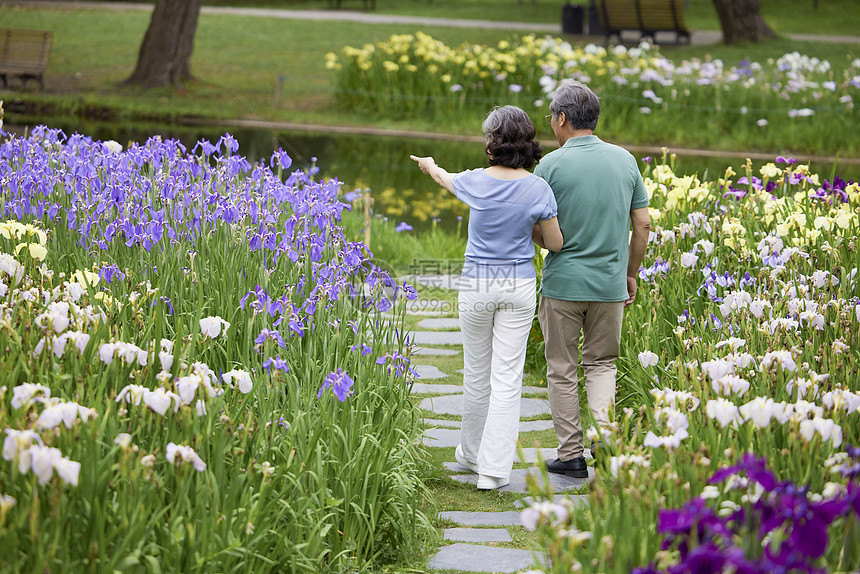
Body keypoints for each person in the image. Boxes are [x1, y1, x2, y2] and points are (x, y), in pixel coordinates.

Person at [411, 105, 564, 490]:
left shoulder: (475, 181)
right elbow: (555, 243)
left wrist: (429, 165)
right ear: (528, 141)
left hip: (477, 286)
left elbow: (443, 177)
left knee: (477, 375)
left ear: (493, 142)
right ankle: (493, 470)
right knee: (507, 378)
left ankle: (470, 455)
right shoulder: (538, 187)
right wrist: (529, 228)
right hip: (518, 286)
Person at [532, 81, 651, 478]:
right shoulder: (625, 160)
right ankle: (603, 439)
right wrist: (630, 274)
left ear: (562, 118)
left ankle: (571, 456)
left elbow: (537, 227)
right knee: (602, 365)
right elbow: (643, 225)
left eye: (552, 117)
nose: (551, 124)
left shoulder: (550, 165)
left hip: (564, 284)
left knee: (562, 367)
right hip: (609, 285)